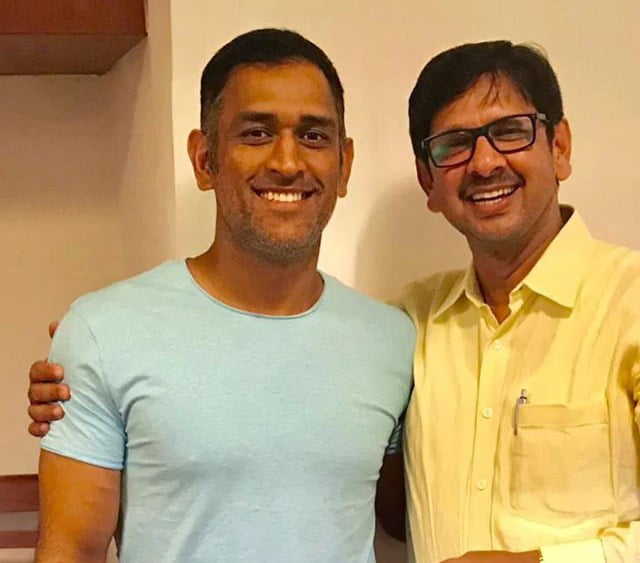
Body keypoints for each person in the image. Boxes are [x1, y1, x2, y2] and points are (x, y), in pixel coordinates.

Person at [27, 40, 640, 563]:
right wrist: (100, 349)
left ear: (561, 148)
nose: (485, 162)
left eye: (511, 132)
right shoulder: (409, 326)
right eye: (454, 145)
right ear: (428, 179)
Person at [27, 28, 413, 563]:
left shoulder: (393, 340)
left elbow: (401, 516)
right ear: (205, 159)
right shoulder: (103, 331)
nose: (287, 162)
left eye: (313, 136)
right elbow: (70, 550)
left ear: (344, 165)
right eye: (256, 133)